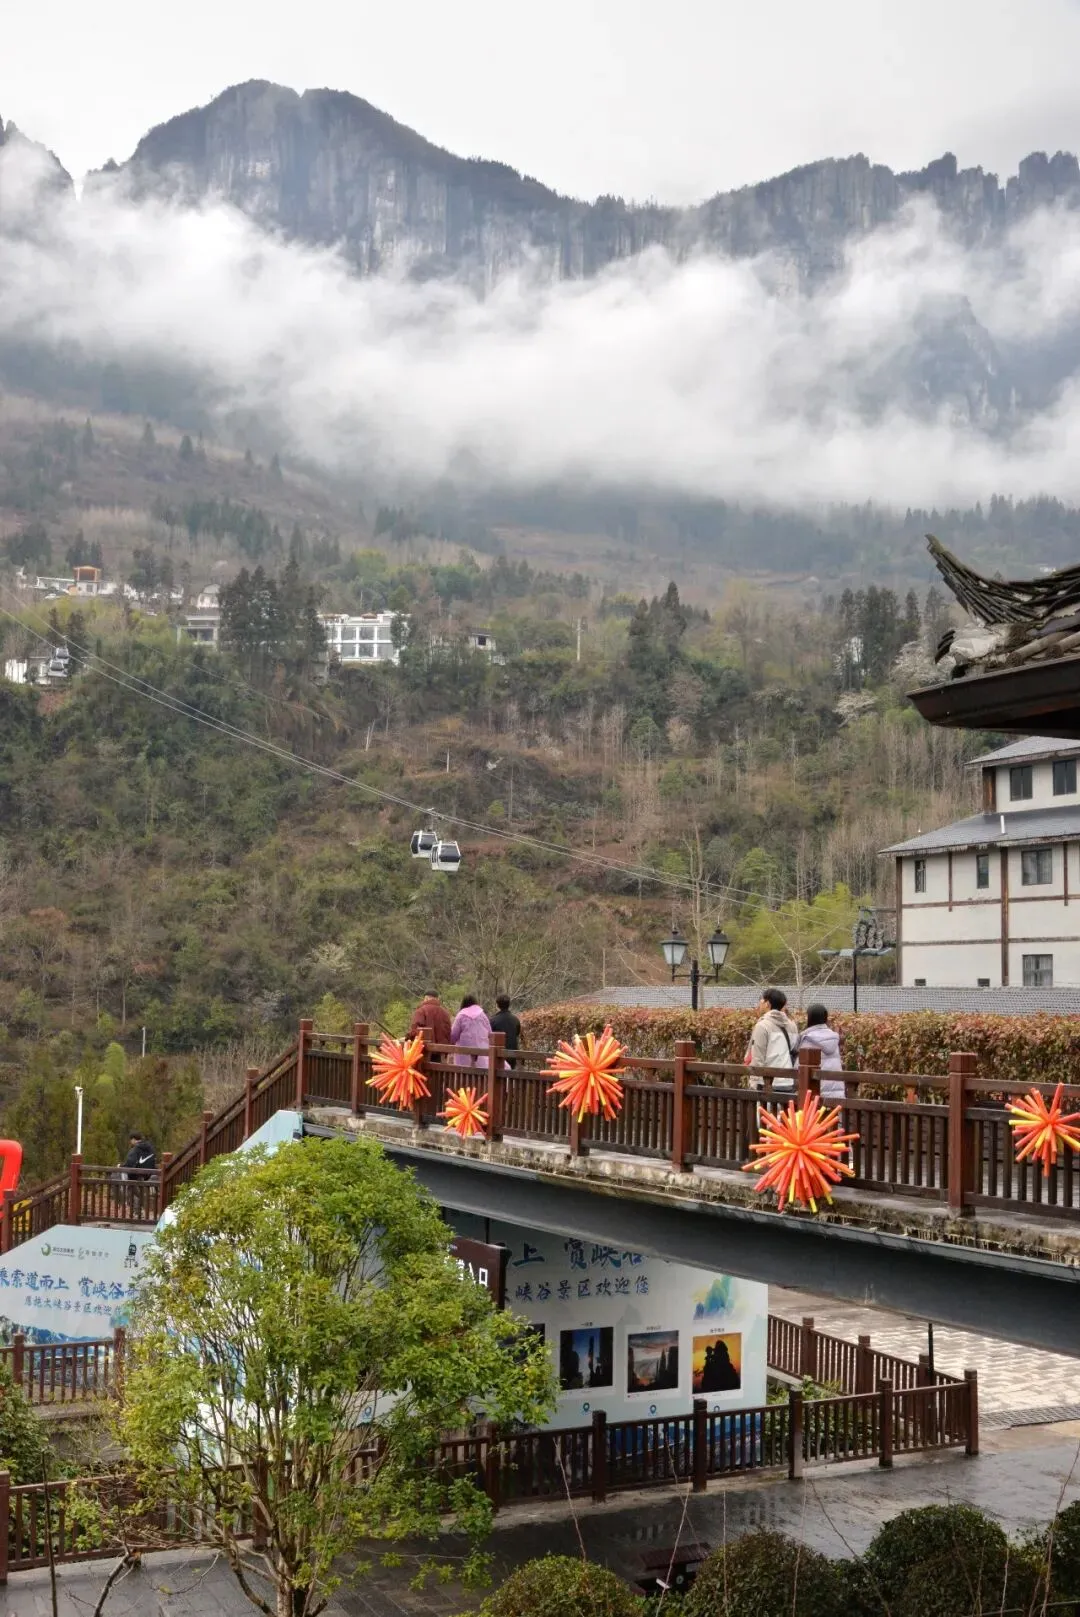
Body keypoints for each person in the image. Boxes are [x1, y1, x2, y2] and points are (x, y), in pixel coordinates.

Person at [745, 988, 798, 1093]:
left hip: (767, 1082)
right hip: (787, 1081)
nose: (760, 1003)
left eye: (761, 1000)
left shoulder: (762, 1026)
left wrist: (753, 1083)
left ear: (767, 1004)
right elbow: (794, 1051)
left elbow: (758, 1058)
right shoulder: (792, 1025)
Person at [797, 1003, 846, 1100]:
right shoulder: (833, 1037)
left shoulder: (808, 1039)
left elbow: (798, 1067)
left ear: (809, 1018)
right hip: (837, 1092)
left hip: (816, 1092)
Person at [450, 995, 493, 1068]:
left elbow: (453, 1035)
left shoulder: (461, 1015)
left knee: (464, 1071)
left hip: (464, 1052)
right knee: (481, 1069)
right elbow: (490, 1033)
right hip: (482, 1051)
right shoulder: (482, 1015)